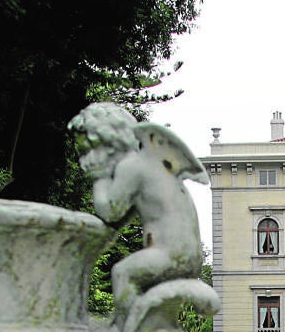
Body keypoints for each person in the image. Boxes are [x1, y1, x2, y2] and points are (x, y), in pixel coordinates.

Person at [68, 103, 206, 313]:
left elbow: (110, 211)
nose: (86, 158)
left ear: (105, 142)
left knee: (121, 273)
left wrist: (99, 177)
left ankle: (122, 327)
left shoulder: (131, 166)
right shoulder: (152, 165)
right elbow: (119, 220)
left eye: (88, 150)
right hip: (188, 255)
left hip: (171, 254)